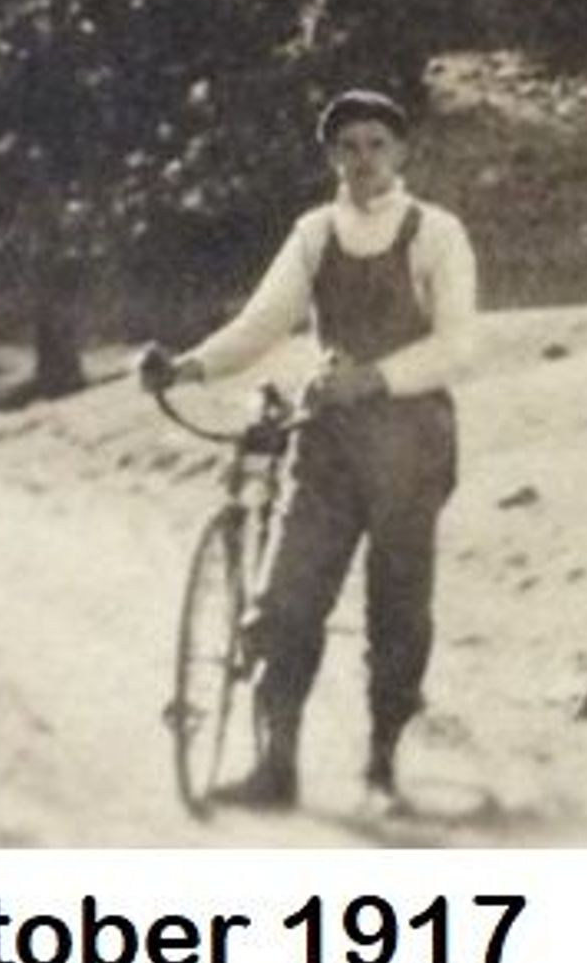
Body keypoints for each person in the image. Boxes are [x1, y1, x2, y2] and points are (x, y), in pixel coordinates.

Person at [138, 88, 478, 812]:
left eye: (376, 144)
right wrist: (189, 366)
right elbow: (263, 322)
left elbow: (458, 343)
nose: (363, 159)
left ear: (401, 153)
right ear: (332, 156)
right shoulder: (315, 233)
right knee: (285, 598)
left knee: (398, 606)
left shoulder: (436, 232)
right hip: (326, 442)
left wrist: (377, 378)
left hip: (410, 444)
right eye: (348, 145)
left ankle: (384, 765)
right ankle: (276, 766)